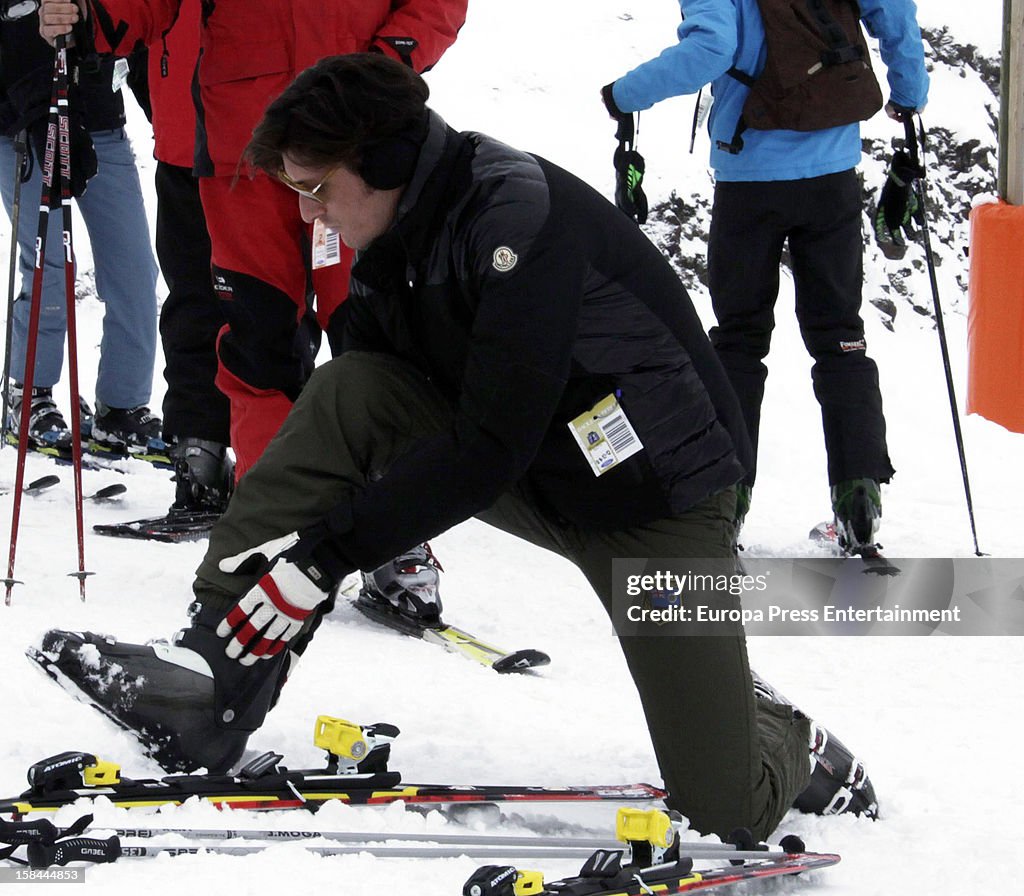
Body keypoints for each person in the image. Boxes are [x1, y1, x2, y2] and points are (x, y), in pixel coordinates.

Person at [33, 54, 881, 840]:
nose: (307, 212)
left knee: (727, 811)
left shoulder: (516, 220)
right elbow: (377, 399)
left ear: (390, 161)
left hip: (657, 503)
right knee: (351, 387)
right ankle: (211, 671)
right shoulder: (388, 229)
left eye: (318, 187)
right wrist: (290, 560)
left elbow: (489, 446)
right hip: (544, 470)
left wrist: (324, 557)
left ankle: (783, 734)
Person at [38, 0, 468, 481]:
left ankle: (394, 510)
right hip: (243, 146)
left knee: (372, 328)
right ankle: (269, 513)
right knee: (259, 336)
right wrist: (87, 14)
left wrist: (383, 67)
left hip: (358, 138)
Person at [602, 0, 930, 553]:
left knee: (738, 342)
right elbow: (893, 12)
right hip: (831, 175)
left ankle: (724, 506)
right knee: (841, 340)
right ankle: (859, 503)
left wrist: (623, 94)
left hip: (749, 180)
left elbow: (710, 49)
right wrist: (908, 94)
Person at [1, 2, 161, 453]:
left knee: (133, 266)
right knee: (50, 261)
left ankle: (122, 407)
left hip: (98, 119)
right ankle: (28, 395)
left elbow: (139, 28)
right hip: (24, 125)